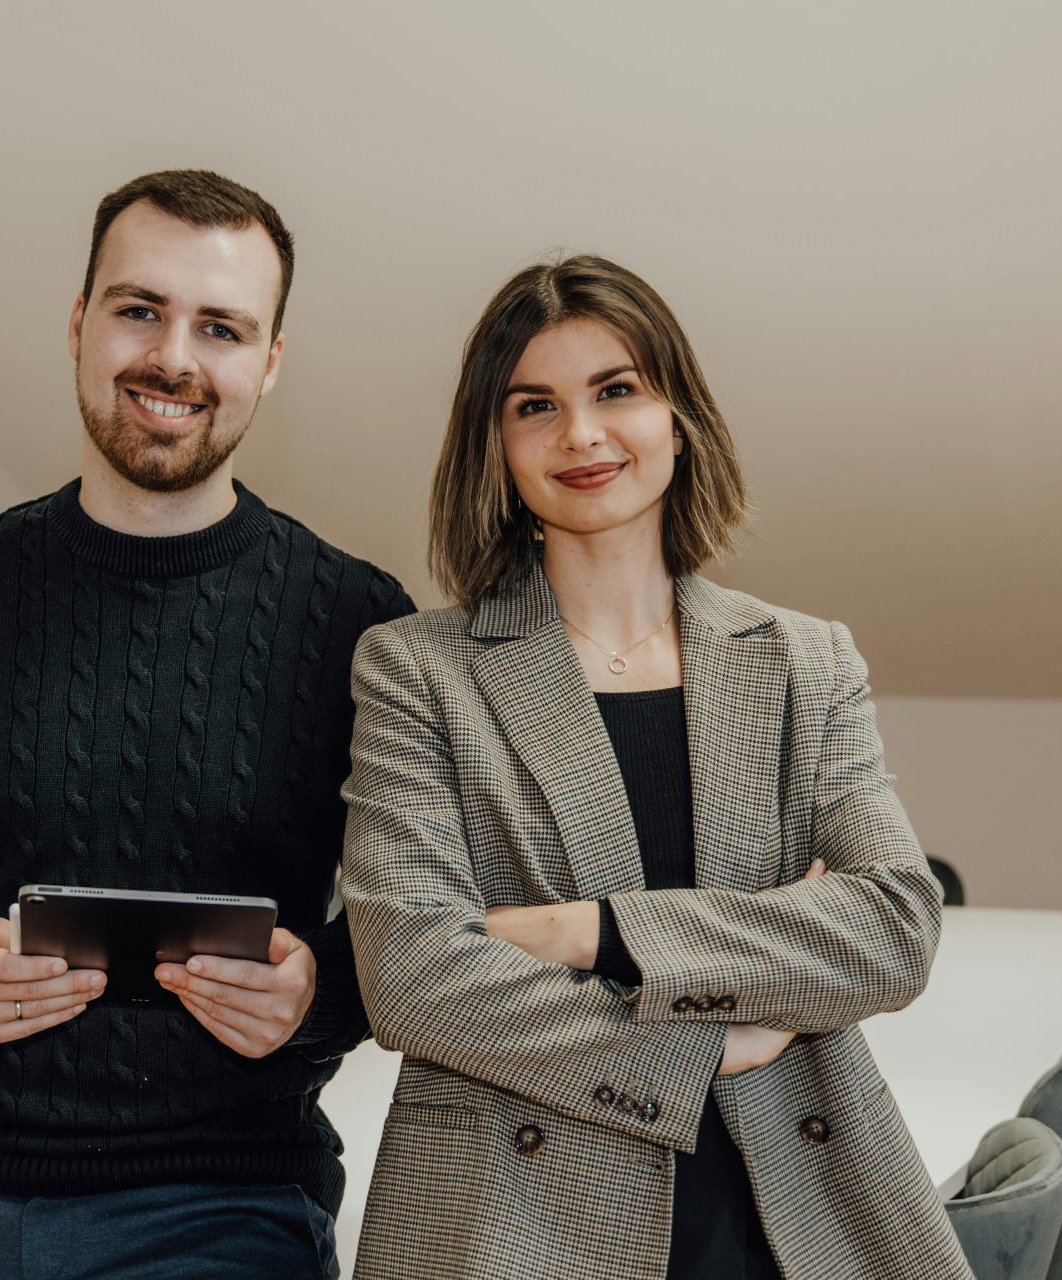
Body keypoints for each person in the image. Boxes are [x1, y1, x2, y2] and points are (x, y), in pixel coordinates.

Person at [0, 169, 412, 1280]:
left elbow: (427, 914)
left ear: (269, 362)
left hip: (226, 1197)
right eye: (139, 309)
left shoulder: (361, 626)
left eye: (220, 327)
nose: (173, 357)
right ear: (79, 324)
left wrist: (320, 992)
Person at [340, 255, 972, 1279]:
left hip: (787, 1196)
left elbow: (893, 928)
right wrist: (708, 1037)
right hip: (515, 1222)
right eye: (535, 406)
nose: (581, 434)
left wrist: (591, 932)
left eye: (617, 390)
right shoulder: (417, 668)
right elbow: (413, 977)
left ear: (678, 418)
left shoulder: (806, 660)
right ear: (495, 448)